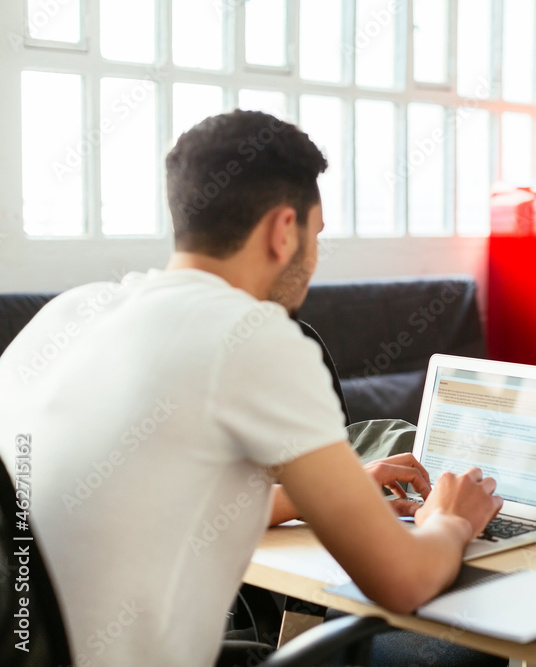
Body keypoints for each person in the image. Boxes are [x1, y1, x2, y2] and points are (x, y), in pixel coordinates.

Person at [0, 110, 502, 666]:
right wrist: (449, 520)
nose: (313, 261)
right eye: (316, 236)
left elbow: (146, 497)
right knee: (464, 644)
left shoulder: (68, 312)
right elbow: (404, 583)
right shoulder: (253, 335)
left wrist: (334, 493)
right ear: (284, 230)